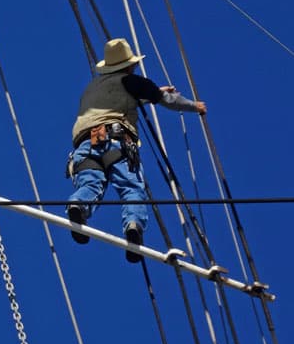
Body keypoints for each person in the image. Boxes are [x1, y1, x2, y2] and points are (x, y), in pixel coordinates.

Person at [67, 38, 206, 262]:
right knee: (131, 188)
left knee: (91, 183)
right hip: (117, 142)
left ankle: (78, 206)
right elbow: (167, 100)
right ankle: (133, 225)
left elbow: (117, 99)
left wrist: (149, 93)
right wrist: (194, 106)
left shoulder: (92, 87)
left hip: (86, 145)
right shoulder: (133, 81)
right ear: (129, 65)